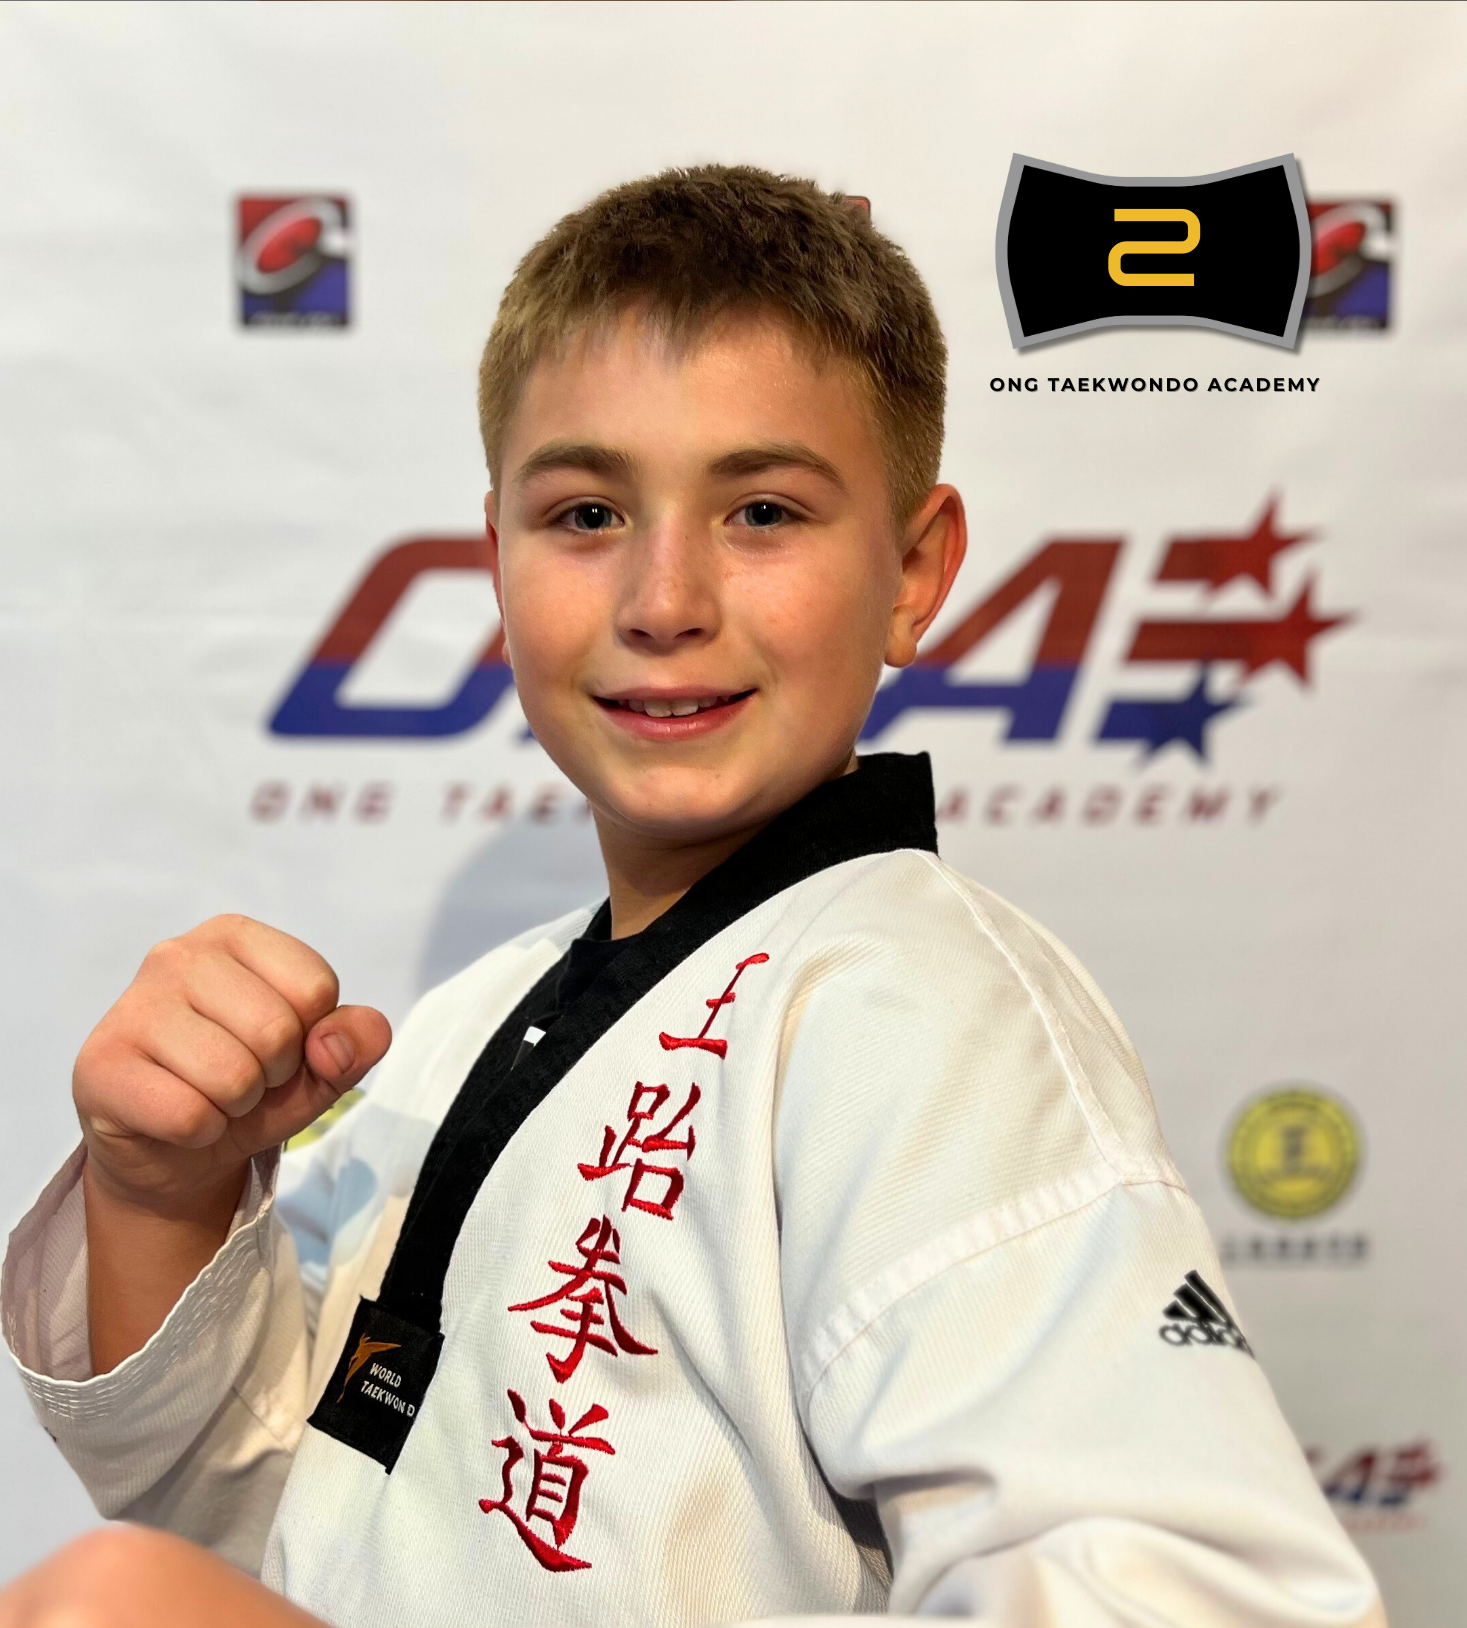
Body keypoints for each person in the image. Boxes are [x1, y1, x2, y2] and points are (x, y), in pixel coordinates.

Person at [0, 166, 1384, 1628]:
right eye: (587, 511)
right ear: (497, 558)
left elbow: (1195, 1598)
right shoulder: (483, 1015)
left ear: (913, 572)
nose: (665, 599)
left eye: (763, 511)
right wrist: (160, 1193)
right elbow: (263, 1502)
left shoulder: (912, 1009)